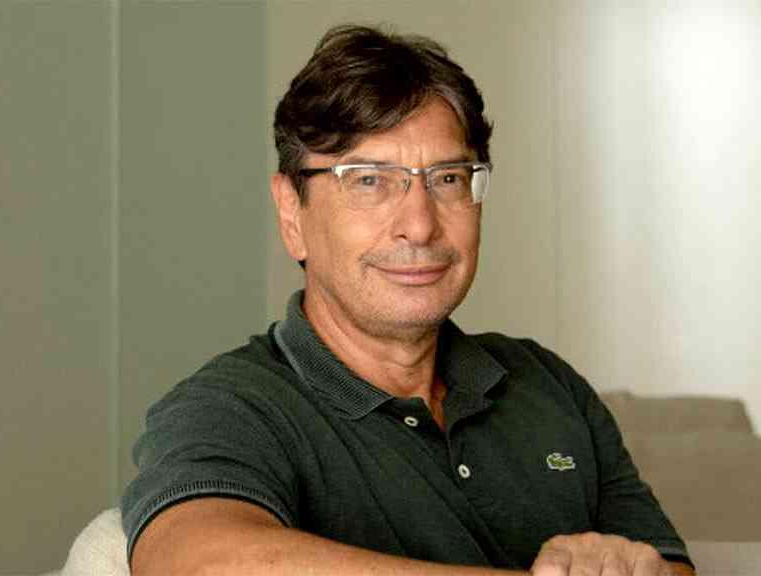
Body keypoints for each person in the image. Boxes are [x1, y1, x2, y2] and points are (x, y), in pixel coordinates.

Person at [121, 24, 694, 576]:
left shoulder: (548, 385)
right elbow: (192, 564)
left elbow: (671, 566)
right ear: (292, 214)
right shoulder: (232, 406)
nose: (419, 225)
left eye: (448, 179)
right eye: (369, 180)